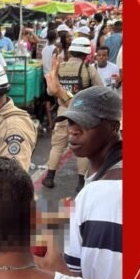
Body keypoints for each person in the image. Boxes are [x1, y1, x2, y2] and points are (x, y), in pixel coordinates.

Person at [36, 86, 123, 279]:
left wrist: (49, 266)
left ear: (113, 126)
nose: (73, 131)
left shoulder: (99, 193)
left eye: (86, 123)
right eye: (71, 122)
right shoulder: (102, 179)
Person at [42, 37, 104, 191]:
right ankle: (81, 182)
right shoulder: (88, 69)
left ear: (71, 51)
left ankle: (49, 177)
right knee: (83, 146)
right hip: (82, 113)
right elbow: (100, 90)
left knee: (57, 146)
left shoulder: (60, 67)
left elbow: (50, 91)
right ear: (86, 54)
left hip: (63, 112)